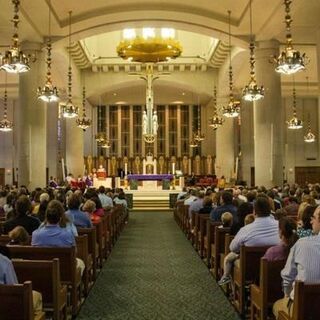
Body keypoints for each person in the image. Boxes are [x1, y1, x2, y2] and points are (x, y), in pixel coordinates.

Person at [218, 196, 280, 286]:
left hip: (250, 270)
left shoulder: (246, 229)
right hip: (275, 268)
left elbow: (232, 247)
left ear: (254, 211)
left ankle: (233, 287)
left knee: (232, 259)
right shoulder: (280, 226)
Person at [273, 205, 320, 319]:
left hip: (304, 309)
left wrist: (287, 295)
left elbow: (288, 277)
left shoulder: (302, 244)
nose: (311, 221)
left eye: (313, 217)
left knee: (278, 306)